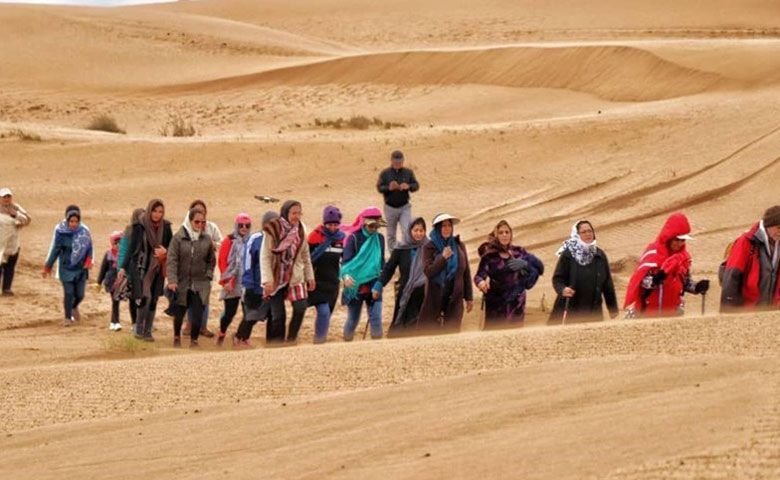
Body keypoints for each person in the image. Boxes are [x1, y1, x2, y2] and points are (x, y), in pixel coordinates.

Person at [624, 212, 710, 318]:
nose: (679, 244)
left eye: (682, 240)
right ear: (668, 238)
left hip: (673, 314)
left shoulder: (684, 258)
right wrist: (655, 279)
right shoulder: (652, 253)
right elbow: (639, 281)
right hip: (648, 313)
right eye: (676, 240)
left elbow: (685, 283)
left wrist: (697, 287)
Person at [261, 200, 315, 345]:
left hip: (295, 275)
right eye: (293, 213)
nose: (296, 216)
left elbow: (305, 255)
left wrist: (310, 276)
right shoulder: (273, 229)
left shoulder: (302, 230)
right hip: (276, 276)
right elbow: (265, 256)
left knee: (301, 307)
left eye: (299, 213)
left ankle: (291, 340)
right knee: (278, 316)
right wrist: (267, 279)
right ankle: (276, 346)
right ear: (286, 213)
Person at [474, 220, 544, 327]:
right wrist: (481, 283)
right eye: (501, 232)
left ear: (511, 234)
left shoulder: (519, 252)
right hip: (496, 305)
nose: (504, 235)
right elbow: (479, 276)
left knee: (516, 338)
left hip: (517, 304)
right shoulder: (489, 256)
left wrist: (525, 265)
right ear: (496, 235)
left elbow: (539, 268)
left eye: (507, 232)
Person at [121, 199, 173, 341]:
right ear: (149, 210)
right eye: (155, 211)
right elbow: (131, 249)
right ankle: (139, 328)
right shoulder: (140, 226)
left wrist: (165, 252)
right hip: (141, 268)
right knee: (145, 297)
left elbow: (172, 248)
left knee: (154, 298)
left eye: (160, 212)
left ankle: (148, 331)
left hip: (158, 267)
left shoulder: (166, 227)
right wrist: (123, 268)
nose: (157, 214)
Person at [548, 220, 619, 324]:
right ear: (577, 235)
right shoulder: (569, 254)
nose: (588, 234)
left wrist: (613, 309)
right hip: (571, 311)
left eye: (590, 231)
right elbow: (558, 278)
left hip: (594, 311)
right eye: (583, 232)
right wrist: (562, 289)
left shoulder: (599, 255)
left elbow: (607, 283)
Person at [167, 207, 215, 348]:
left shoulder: (206, 239)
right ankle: (177, 337)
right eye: (197, 222)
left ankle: (194, 340)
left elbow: (211, 260)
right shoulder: (178, 238)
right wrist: (172, 280)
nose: (200, 225)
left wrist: (208, 275)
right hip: (182, 281)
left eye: (202, 222)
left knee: (198, 311)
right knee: (180, 311)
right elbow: (172, 259)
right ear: (190, 221)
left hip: (200, 282)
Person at [418, 213, 474, 333]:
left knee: (452, 332)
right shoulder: (429, 247)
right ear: (438, 228)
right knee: (430, 333)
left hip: (455, 295)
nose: (447, 228)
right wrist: (442, 258)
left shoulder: (459, 245)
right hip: (435, 295)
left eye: (449, 225)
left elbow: (465, 272)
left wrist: (469, 297)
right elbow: (428, 271)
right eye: (443, 226)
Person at [720, 206, 780, 311]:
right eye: (778, 228)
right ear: (768, 225)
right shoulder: (746, 241)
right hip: (747, 308)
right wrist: (728, 310)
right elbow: (731, 277)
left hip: (770, 309)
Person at [340, 207, 386, 341]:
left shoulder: (380, 239)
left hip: (374, 282)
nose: (374, 229)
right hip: (355, 284)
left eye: (377, 226)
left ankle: (377, 346)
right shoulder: (354, 238)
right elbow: (345, 263)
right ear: (364, 223)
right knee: (353, 318)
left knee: (376, 317)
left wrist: (380, 283)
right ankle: (347, 344)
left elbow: (381, 262)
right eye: (372, 226)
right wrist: (346, 276)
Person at [233, 211, 277, 347]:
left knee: (271, 314)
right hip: (254, 285)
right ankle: (239, 338)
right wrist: (249, 284)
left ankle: (272, 343)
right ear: (264, 224)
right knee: (252, 315)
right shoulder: (255, 239)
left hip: (271, 286)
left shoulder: (279, 239)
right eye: (271, 224)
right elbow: (248, 262)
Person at [43, 207, 92, 326]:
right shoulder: (61, 232)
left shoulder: (84, 232)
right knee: (69, 293)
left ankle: (73, 307)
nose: (74, 224)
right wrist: (48, 266)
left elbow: (89, 248)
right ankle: (67, 317)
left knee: (80, 295)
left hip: (80, 269)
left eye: (76, 221)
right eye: (72, 221)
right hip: (66, 268)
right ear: (67, 221)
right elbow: (55, 250)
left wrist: (89, 260)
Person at [380, 217, 427, 337]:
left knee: (417, 323)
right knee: (401, 321)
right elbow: (389, 267)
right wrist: (379, 284)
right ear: (409, 231)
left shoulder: (429, 247)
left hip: (423, 292)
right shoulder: (401, 248)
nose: (419, 233)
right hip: (405, 291)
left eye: (421, 230)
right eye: (416, 230)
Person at [183, 199, 223, 338]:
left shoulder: (211, 227)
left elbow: (221, 244)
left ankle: (203, 327)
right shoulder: (186, 229)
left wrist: (213, 244)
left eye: (202, 211)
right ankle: (189, 324)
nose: (200, 213)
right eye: (196, 211)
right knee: (189, 298)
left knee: (204, 299)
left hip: (206, 270)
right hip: (190, 270)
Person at [307, 206, 346, 344]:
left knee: (327, 313)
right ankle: (319, 341)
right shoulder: (314, 236)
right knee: (323, 311)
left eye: (335, 224)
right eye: (329, 224)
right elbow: (307, 259)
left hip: (333, 283)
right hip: (316, 282)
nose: (332, 228)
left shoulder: (342, 239)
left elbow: (345, 260)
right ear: (324, 224)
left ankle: (319, 340)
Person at [216, 213, 252, 346]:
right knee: (229, 313)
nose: (244, 228)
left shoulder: (251, 240)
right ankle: (222, 332)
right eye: (241, 225)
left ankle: (242, 336)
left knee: (249, 312)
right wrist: (226, 281)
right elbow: (222, 261)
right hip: (231, 281)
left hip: (246, 282)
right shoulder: (229, 240)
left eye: (247, 226)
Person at [376, 150, 419, 251]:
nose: (397, 164)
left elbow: (416, 185)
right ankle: (393, 256)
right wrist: (389, 188)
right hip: (390, 208)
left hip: (405, 207)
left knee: (406, 230)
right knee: (391, 234)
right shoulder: (385, 173)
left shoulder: (408, 172)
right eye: (395, 162)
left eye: (399, 162)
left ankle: (407, 253)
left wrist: (408, 186)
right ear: (391, 161)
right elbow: (379, 188)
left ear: (403, 161)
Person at [0, 187, 32, 296]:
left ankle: (6, 289)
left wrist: (16, 215)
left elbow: (28, 220)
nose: (6, 199)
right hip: (0, 244)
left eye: (8, 196)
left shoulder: (16, 208)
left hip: (13, 243)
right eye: (4, 197)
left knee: (10, 267)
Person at [116, 208, 144, 326]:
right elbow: (123, 251)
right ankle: (134, 323)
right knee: (133, 297)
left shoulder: (149, 231)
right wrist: (121, 268)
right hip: (132, 269)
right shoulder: (129, 231)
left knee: (145, 297)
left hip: (144, 268)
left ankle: (143, 322)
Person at [96, 231, 124, 331]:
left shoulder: (125, 255)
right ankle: (115, 322)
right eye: (116, 243)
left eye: (121, 243)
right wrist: (98, 283)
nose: (118, 245)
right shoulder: (108, 255)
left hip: (122, 283)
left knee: (116, 301)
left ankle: (113, 322)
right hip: (111, 282)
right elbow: (103, 270)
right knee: (115, 301)